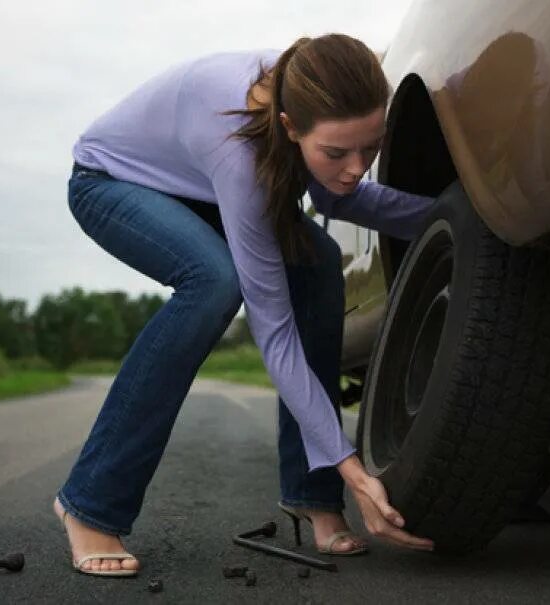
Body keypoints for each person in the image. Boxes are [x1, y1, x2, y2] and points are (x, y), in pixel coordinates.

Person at [54, 33, 438, 577]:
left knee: (319, 263)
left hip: (201, 188)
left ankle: (313, 494)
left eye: (368, 149)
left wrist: (457, 213)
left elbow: (340, 194)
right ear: (289, 128)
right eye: (336, 152)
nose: (356, 166)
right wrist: (355, 468)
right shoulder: (237, 147)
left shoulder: (316, 96)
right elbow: (274, 333)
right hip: (113, 183)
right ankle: (90, 502)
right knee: (213, 282)